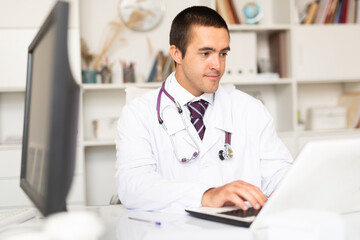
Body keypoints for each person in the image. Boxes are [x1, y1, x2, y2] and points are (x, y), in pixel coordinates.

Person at [115, 6, 293, 212]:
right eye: (205, 53)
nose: (217, 65)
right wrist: (206, 196)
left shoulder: (251, 109)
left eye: (223, 53)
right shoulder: (139, 113)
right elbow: (133, 186)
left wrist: (288, 186)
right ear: (177, 54)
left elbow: (279, 173)